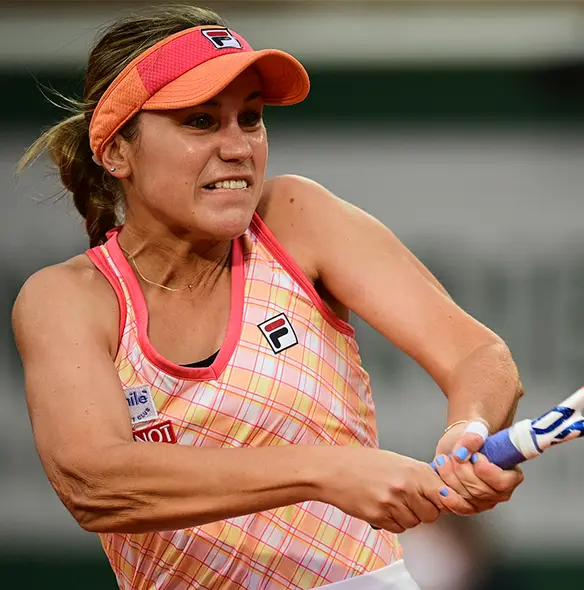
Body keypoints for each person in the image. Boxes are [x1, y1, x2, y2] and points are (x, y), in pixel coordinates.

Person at [11, 5, 524, 590]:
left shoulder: (298, 219)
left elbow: (478, 356)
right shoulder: (68, 298)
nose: (237, 148)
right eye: (200, 122)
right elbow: (94, 483)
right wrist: (325, 470)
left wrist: (471, 430)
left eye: (250, 119)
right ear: (116, 152)